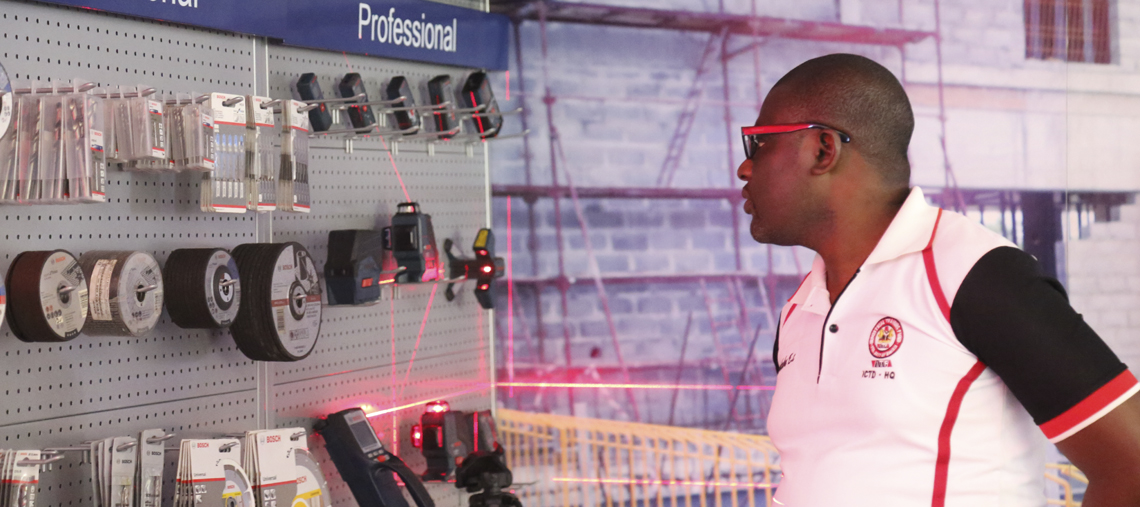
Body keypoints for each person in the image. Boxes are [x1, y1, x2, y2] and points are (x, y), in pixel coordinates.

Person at [737, 53, 1140, 506]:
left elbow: (1131, 466)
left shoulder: (976, 274)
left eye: (759, 144)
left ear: (823, 149)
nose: (744, 169)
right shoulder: (801, 307)